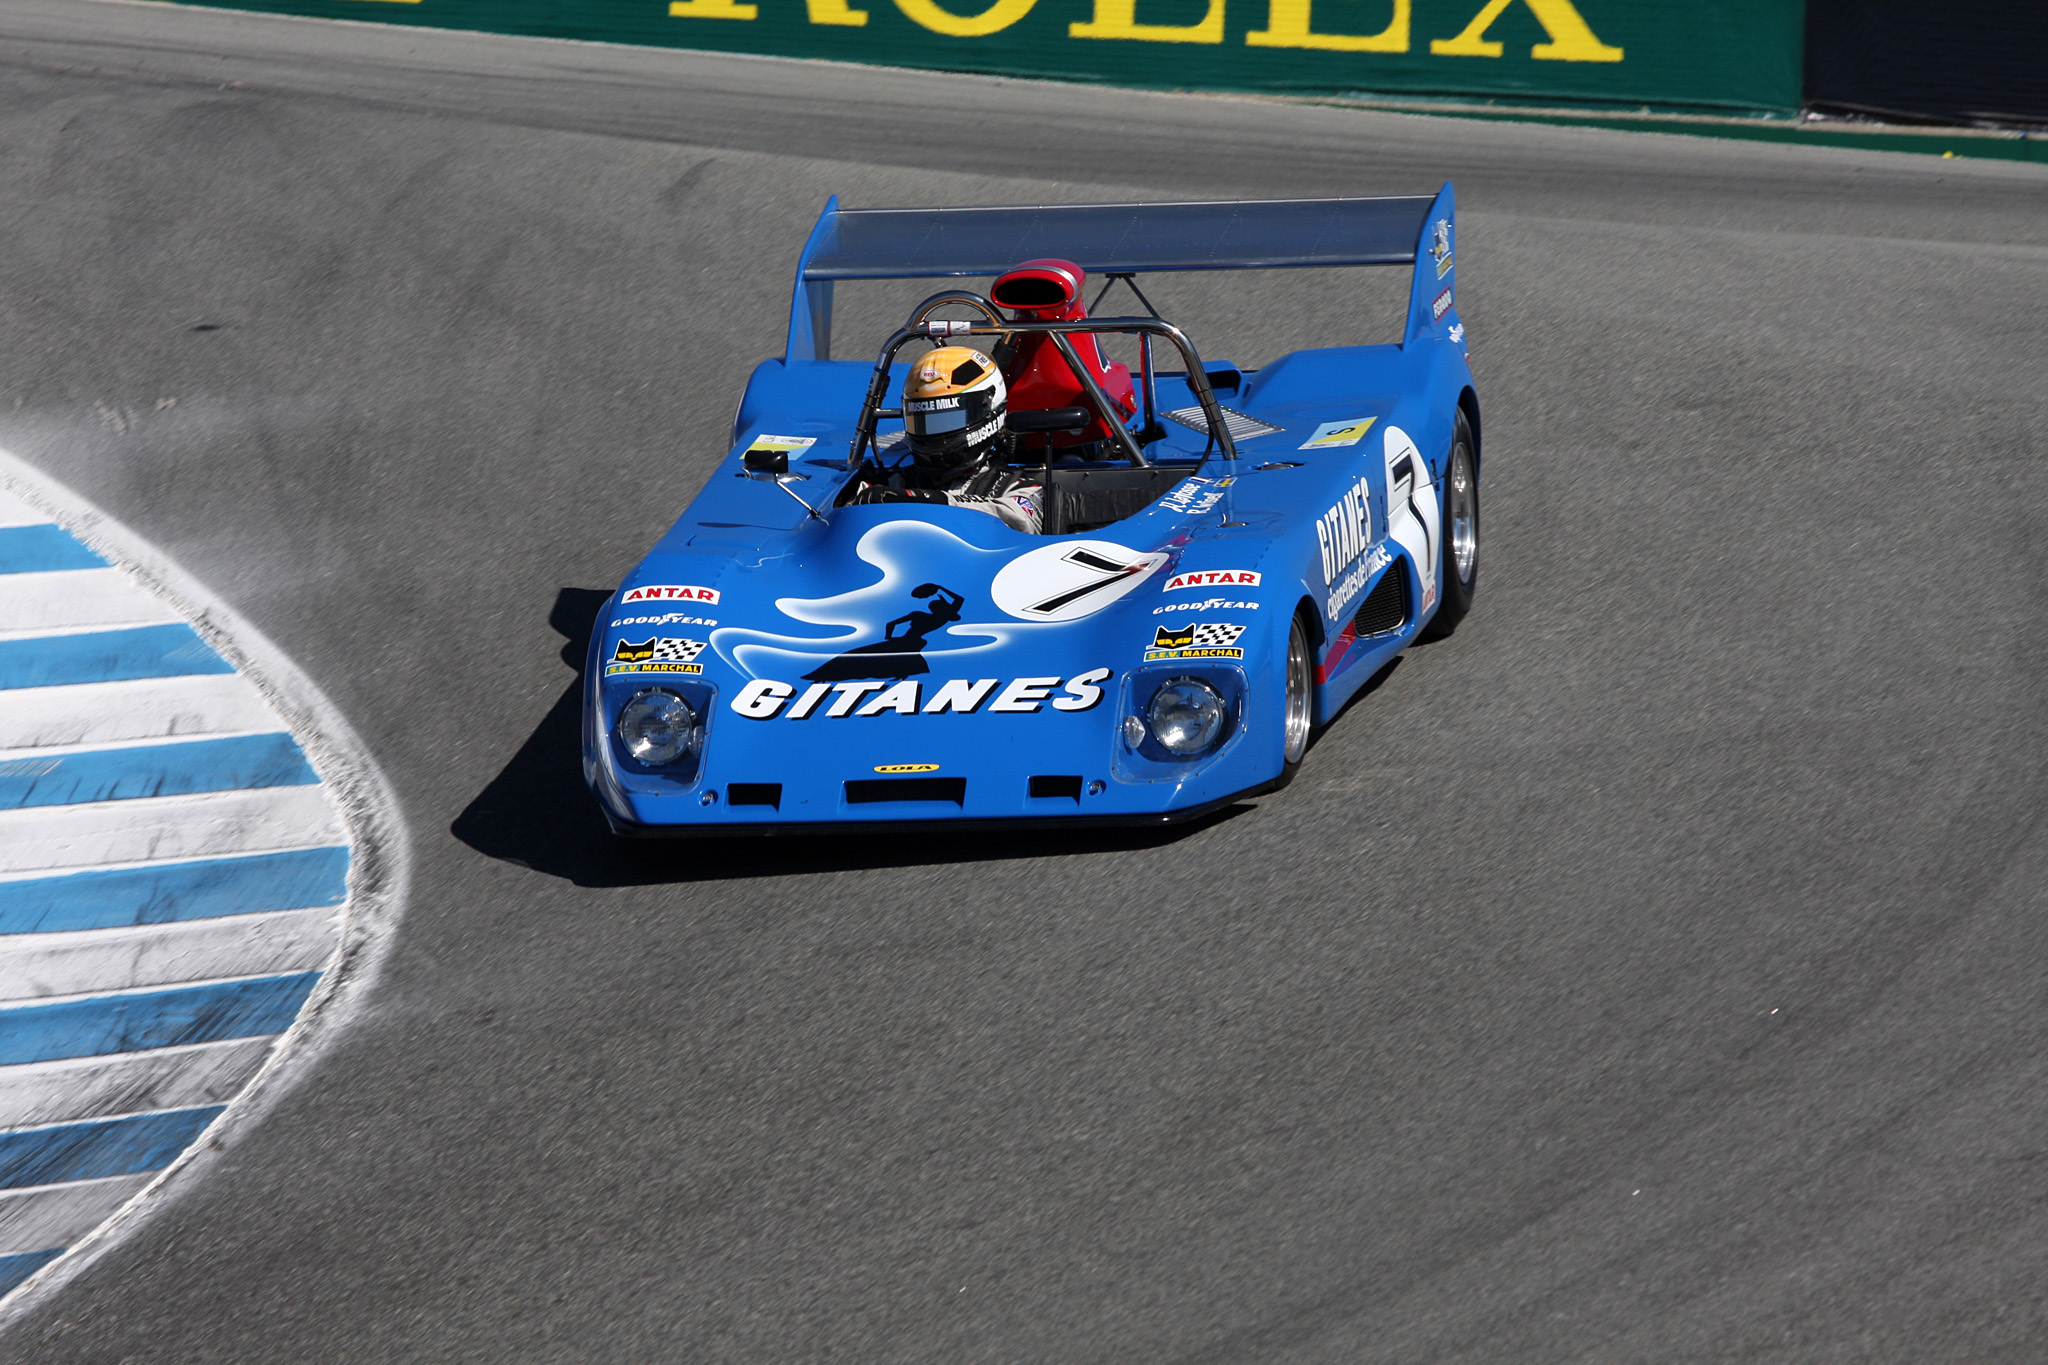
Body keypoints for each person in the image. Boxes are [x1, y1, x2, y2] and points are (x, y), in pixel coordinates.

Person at [847, 346, 1043, 534]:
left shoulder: (1020, 487)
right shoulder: (898, 482)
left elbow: (1021, 521)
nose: (933, 435)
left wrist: (925, 500)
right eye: (924, 421)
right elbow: (843, 511)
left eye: (948, 420)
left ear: (989, 414)